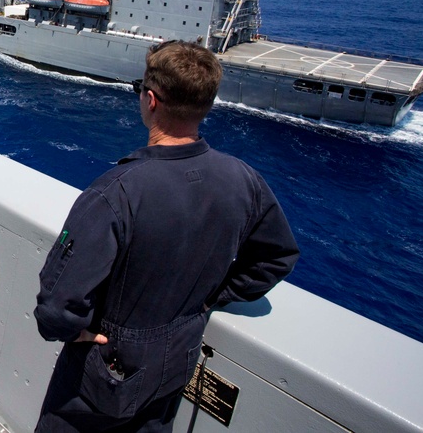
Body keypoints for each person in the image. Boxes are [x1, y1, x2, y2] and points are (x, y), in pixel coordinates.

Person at [33, 40, 300, 432]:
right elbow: (276, 257)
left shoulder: (116, 192)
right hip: (177, 359)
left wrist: (74, 332)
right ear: (205, 105)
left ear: (151, 100)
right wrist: (211, 299)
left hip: (104, 372)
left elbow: (56, 309)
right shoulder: (244, 180)